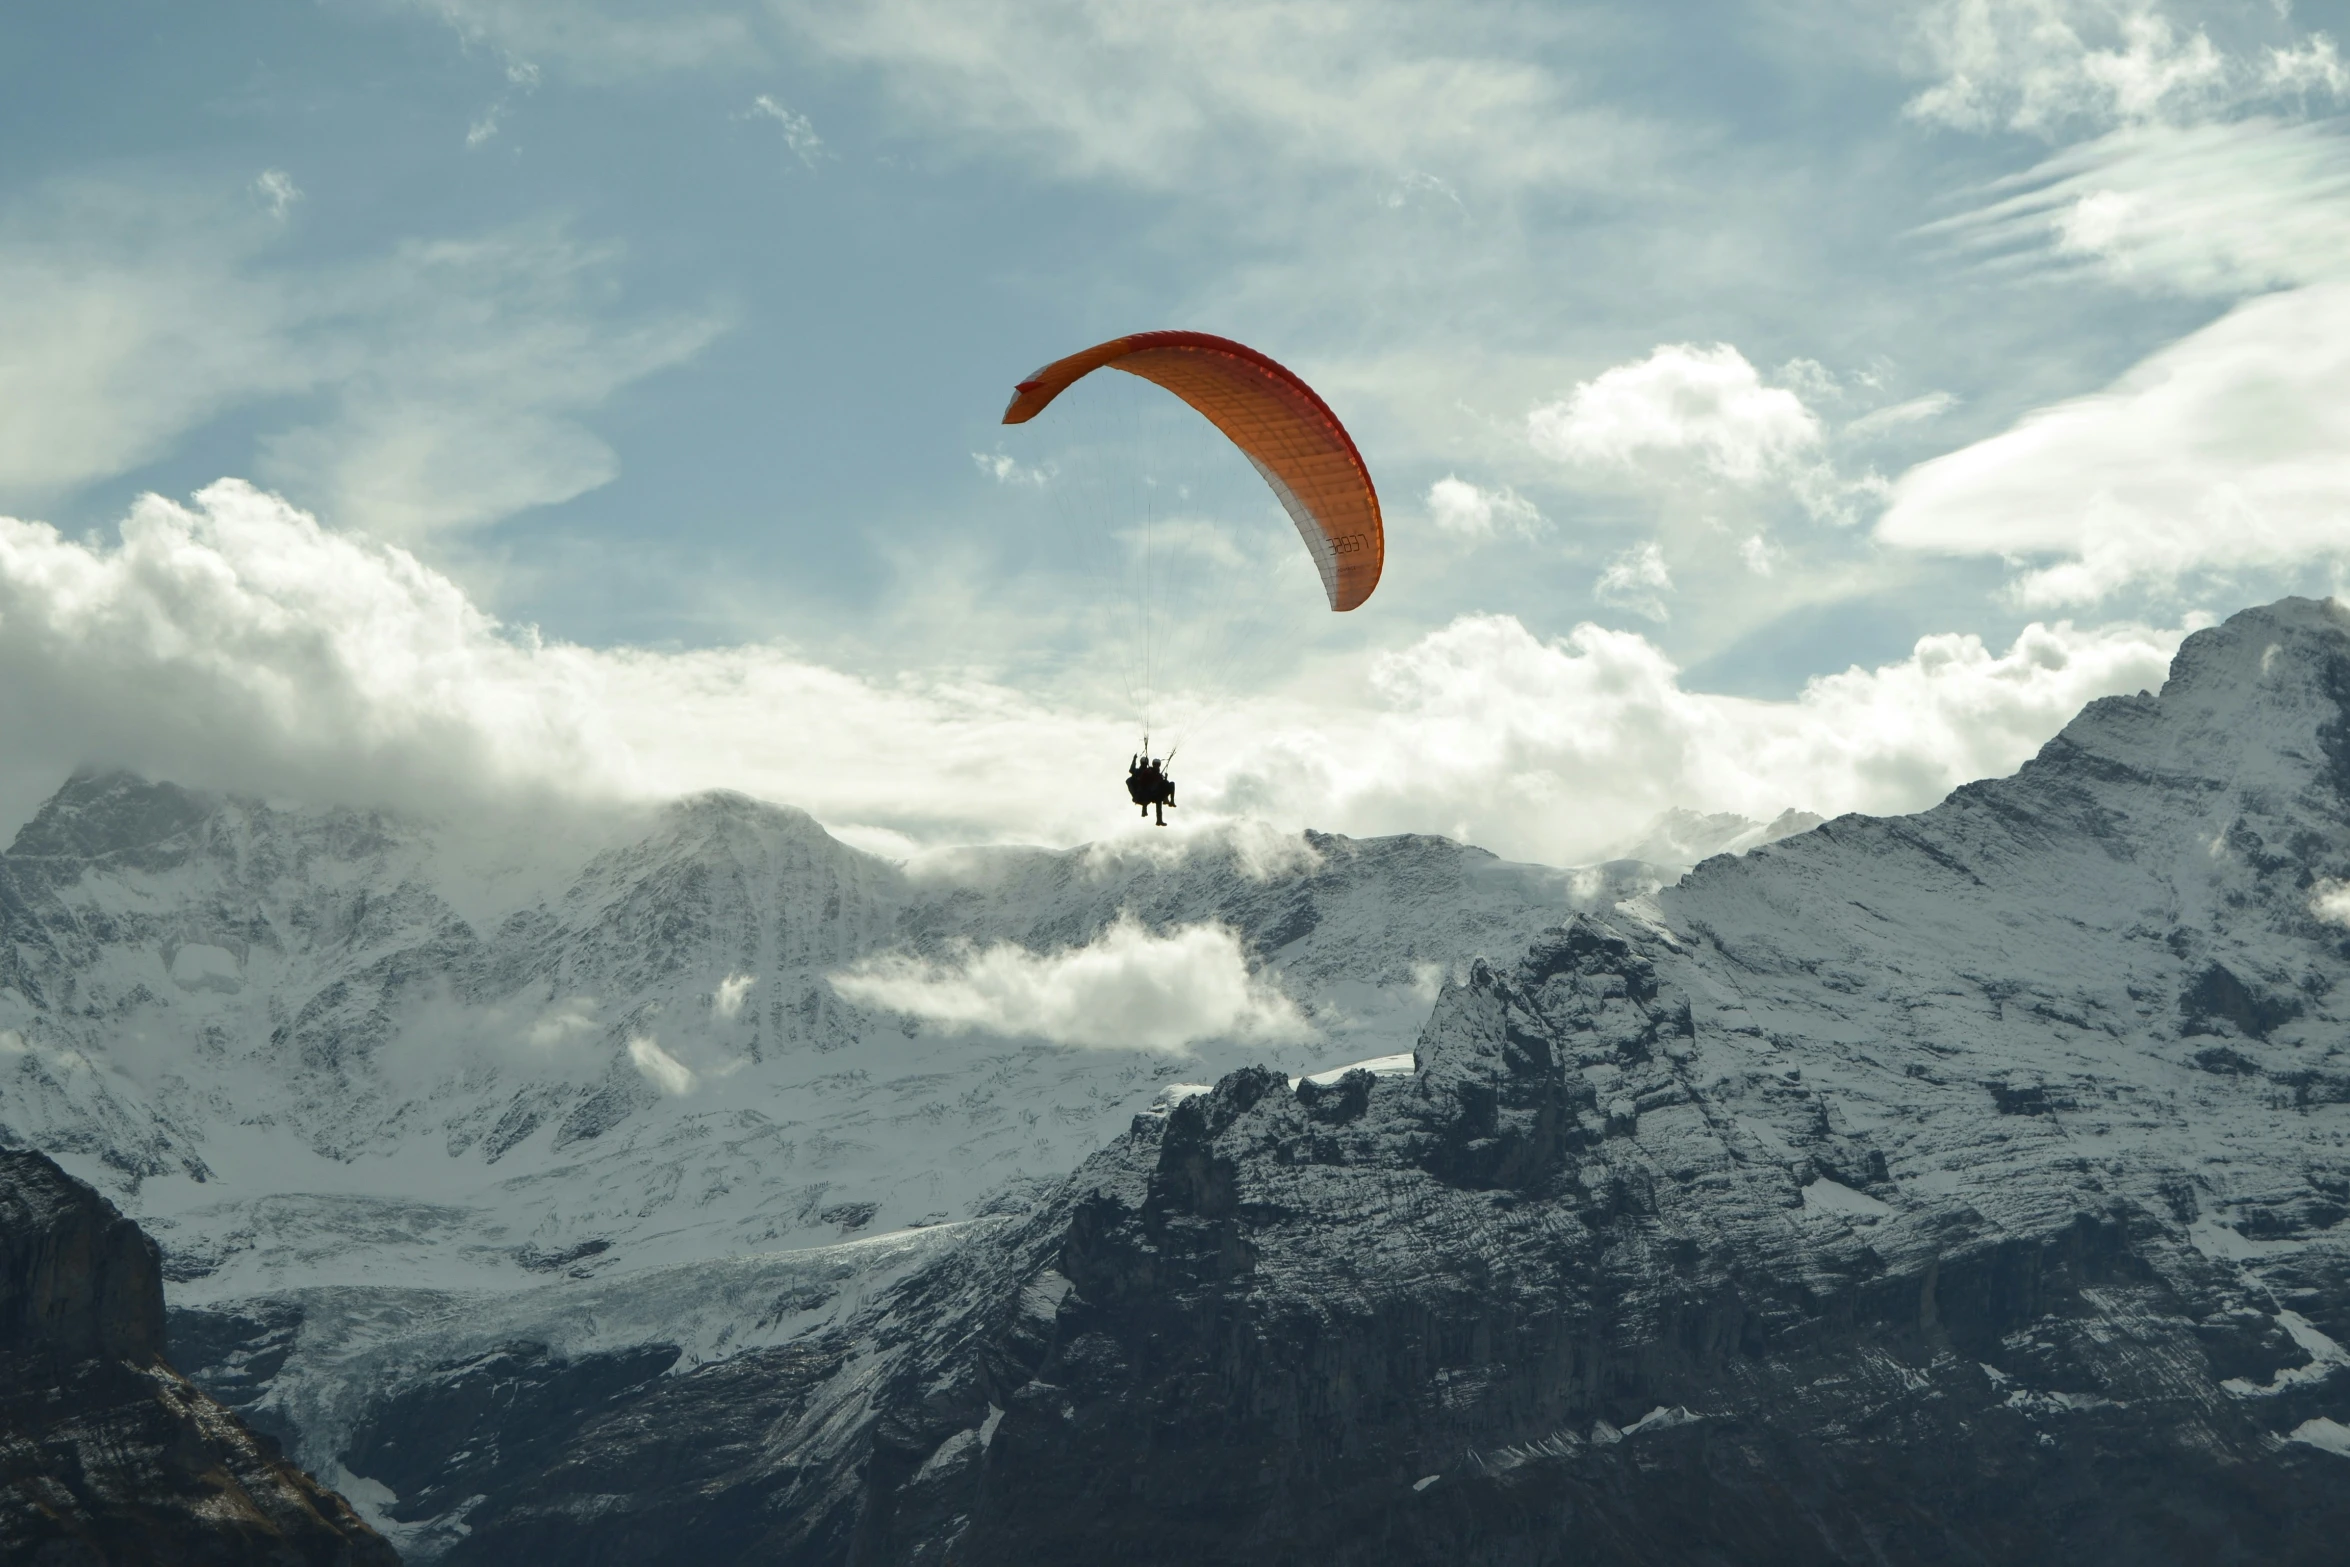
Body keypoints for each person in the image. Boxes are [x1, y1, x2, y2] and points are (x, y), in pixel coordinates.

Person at [1125, 753, 1175, 827]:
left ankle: (1159, 819)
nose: (1144, 765)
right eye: (1143, 763)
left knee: (1161, 795)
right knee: (1152, 796)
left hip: (1151, 793)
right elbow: (1134, 773)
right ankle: (1147, 811)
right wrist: (1134, 759)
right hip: (1144, 793)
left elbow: (1160, 783)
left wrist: (1164, 779)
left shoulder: (1154, 773)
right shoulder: (1145, 771)